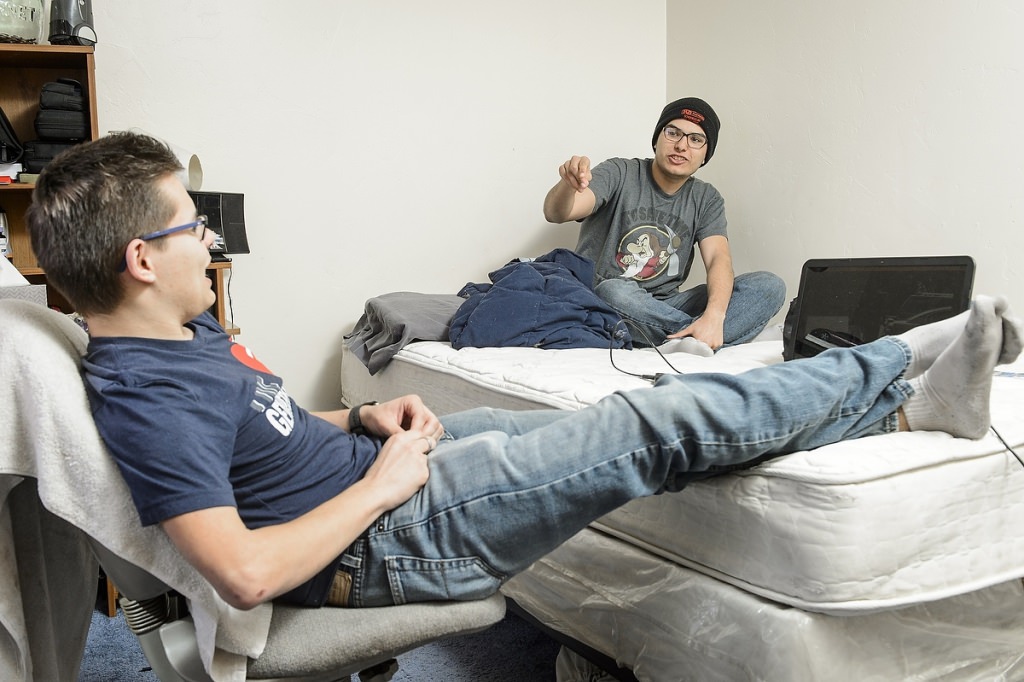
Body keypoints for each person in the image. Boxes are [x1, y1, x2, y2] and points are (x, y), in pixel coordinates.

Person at [27, 132, 1022, 611]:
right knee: (649, 430)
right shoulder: (145, 399)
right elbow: (242, 574)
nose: (208, 239)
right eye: (189, 225)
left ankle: (899, 420)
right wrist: (386, 481)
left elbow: (268, 428)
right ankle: (898, 355)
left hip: (395, 475)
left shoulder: (181, 339)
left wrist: (363, 420)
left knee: (660, 404)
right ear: (140, 262)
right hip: (391, 535)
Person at [544, 97, 787, 356]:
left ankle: (689, 336)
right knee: (613, 289)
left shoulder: (706, 198)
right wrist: (567, 186)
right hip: (609, 302)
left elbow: (718, 258)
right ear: (657, 138)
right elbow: (557, 212)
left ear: (706, 153)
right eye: (673, 133)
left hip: (666, 305)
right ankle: (712, 337)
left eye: (695, 139)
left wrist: (715, 316)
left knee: (769, 286)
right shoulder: (620, 172)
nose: (682, 145)